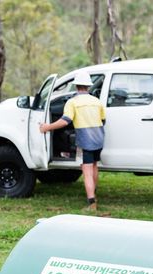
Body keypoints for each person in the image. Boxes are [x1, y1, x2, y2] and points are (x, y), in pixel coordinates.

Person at [40, 70, 105, 211]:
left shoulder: (73, 102)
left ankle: (92, 203)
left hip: (86, 140)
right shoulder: (97, 101)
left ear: (76, 86)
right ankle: (95, 195)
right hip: (99, 138)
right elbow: (103, 119)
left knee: (86, 170)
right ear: (88, 86)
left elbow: (65, 121)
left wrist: (47, 127)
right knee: (94, 167)